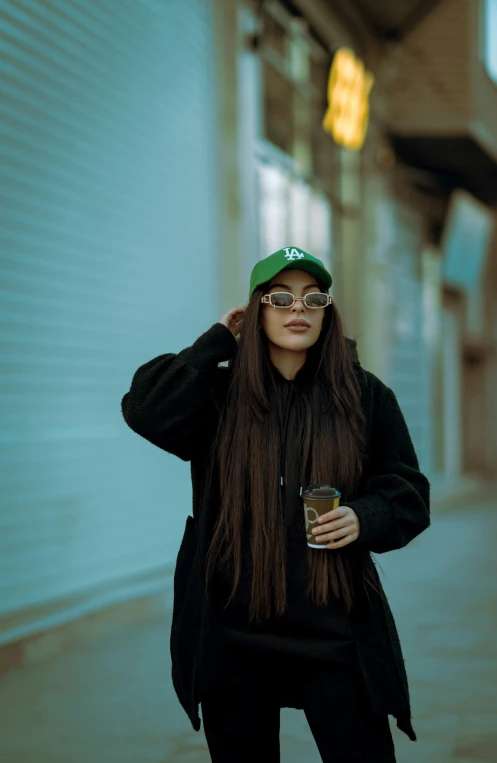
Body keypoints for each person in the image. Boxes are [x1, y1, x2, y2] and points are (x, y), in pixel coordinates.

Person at [121, 246, 431, 762]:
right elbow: (146, 409)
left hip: (335, 636)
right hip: (234, 638)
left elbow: (409, 493)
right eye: (280, 297)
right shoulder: (218, 396)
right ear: (256, 309)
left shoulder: (363, 396)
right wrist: (216, 341)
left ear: (327, 313)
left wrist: (365, 514)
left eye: (314, 299)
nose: (298, 310)